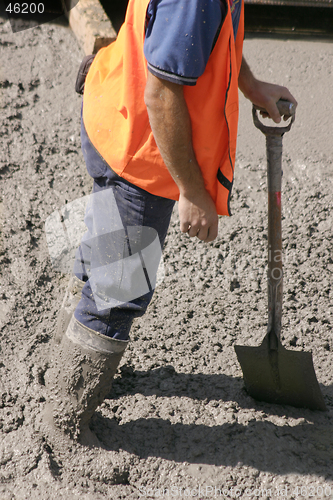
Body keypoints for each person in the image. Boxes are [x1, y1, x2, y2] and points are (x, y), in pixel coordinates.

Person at [45, 0, 297, 441]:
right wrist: (192, 191)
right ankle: (65, 424)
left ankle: (61, 364)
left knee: (103, 254)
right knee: (118, 291)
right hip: (142, 154)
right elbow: (161, 93)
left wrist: (249, 83)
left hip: (114, 116)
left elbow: (207, 37)